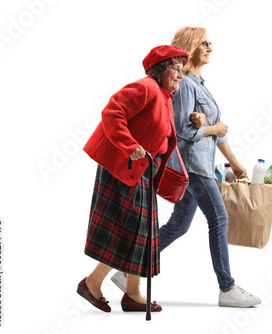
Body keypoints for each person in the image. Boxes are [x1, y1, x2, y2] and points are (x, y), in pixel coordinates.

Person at [112, 27, 261, 308]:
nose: (211, 48)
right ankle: (227, 288)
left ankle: (128, 270)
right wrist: (211, 127)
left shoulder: (200, 84)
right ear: (191, 47)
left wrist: (236, 161)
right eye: (205, 43)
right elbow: (181, 130)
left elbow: (218, 132)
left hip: (202, 163)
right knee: (219, 219)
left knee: (178, 226)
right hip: (191, 165)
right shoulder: (183, 85)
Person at [77, 45, 189, 313]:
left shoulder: (163, 95)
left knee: (143, 233)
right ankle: (91, 283)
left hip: (143, 169)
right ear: (161, 69)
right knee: (126, 229)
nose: (181, 76)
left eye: (183, 71)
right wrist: (129, 146)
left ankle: (133, 293)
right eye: (176, 69)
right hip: (125, 165)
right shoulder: (146, 87)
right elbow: (112, 113)